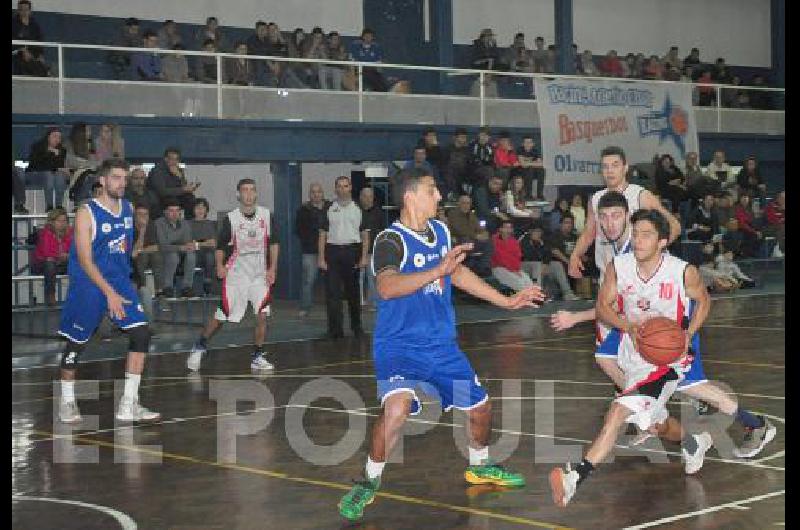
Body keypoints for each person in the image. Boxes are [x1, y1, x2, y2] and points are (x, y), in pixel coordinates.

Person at [337, 168, 545, 521]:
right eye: (432, 191)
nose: (438, 198)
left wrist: (505, 300)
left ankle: (479, 466)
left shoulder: (440, 231)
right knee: (396, 410)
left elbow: (457, 273)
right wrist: (437, 271)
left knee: (481, 408)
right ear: (410, 196)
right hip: (399, 345)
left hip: (440, 346)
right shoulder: (391, 240)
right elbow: (386, 288)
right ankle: (367, 482)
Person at [549, 209, 714, 507]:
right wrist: (627, 327)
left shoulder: (682, 270)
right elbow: (603, 306)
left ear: (663, 241)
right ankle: (693, 442)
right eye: (635, 233)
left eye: (647, 234)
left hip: (668, 360)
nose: (638, 240)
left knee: (619, 411)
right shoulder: (619, 266)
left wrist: (688, 334)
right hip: (633, 349)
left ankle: (575, 477)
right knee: (653, 423)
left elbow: (703, 301)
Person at [56, 159, 160, 424]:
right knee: (76, 344)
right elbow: (85, 259)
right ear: (102, 181)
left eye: (124, 178)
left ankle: (129, 403)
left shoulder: (128, 208)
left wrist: (127, 280)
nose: (122, 183)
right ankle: (67, 401)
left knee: (141, 333)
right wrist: (108, 292)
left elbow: (124, 250)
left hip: (119, 282)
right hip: (89, 284)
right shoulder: (85, 212)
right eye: (116, 178)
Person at [187, 179, 279, 371]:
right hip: (236, 274)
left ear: (256, 194)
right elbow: (220, 247)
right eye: (244, 190)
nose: (248, 194)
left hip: (259, 274)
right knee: (222, 315)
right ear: (239, 195)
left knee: (262, 314)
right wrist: (220, 265)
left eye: (252, 190)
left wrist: (272, 268)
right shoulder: (231, 218)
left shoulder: (266, 215)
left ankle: (257, 355)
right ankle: (200, 344)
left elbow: (274, 243)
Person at [318, 176, 370, 339]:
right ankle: (335, 330)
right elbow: (322, 235)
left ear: (350, 188)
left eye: (345, 186)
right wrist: (321, 258)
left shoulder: (358, 209)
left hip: (352, 252)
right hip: (332, 252)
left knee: (353, 293)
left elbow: (365, 236)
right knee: (333, 294)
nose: (342, 189)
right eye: (339, 186)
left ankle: (357, 327)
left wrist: (363, 257)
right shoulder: (328, 208)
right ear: (335, 189)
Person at [295, 182, 330, 317]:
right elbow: (298, 230)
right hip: (310, 251)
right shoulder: (303, 210)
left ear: (322, 193)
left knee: (332, 280)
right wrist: (310, 240)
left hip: (330, 250)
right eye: (313, 192)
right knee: (308, 280)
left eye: (319, 191)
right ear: (310, 195)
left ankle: (332, 305)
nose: (316, 194)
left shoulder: (331, 208)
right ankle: (305, 307)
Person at [154, 198, 197, 297]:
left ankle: (187, 287)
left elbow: (187, 241)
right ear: (165, 212)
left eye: (177, 211)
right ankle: (167, 287)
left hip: (180, 251)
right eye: (171, 211)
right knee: (173, 256)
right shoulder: (159, 223)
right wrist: (180, 247)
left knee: (191, 255)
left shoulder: (184, 223)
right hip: (163, 252)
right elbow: (163, 245)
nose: (175, 213)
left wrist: (188, 246)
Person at [31, 208, 72, 305]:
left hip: (61, 262)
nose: (62, 223)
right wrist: (62, 255)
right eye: (59, 221)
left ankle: (79, 294)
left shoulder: (70, 232)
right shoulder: (45, 233)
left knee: (80, 263)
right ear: (52, 222)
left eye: (64, 220)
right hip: (42, 264)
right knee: (50, 262)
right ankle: (50, 295)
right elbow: (47, 253)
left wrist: (69, 255)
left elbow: (75, 250)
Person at [25, 127, 69, 211]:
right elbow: (36, 164)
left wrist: (56, 167)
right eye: (55, 136)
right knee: (48, 174)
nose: (57, 139)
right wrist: (49, 152)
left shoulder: (62, 150)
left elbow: (59, 166)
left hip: (52, 175)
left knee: (60, 176)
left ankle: (59, 206)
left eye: (59, 137)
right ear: (48, 137)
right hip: (35, 174)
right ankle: (49, 206)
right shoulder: (38, 147)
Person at [359, 186, 385, 309]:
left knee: (372, 278)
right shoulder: (356, 211)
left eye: (370, 196)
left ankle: (373, 302)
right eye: (365, 196)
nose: (367, 199)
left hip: (373, 250)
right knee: (357, 278)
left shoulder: (379, 212)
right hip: (357, 250)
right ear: (360, 197)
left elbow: (383, 232)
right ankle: (358, 301)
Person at [189, 198, 219, 295]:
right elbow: (190, 243)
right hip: (194, 254)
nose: (200, 210)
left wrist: (198, 243)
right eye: (197, 208)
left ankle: (208, 282)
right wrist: (205, 242)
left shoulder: (210, 224)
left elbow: (213, 242)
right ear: (193, 210)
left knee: (210, 256)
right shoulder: (188, 224)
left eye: (203, 208)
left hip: (208, 253)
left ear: (206, 210)